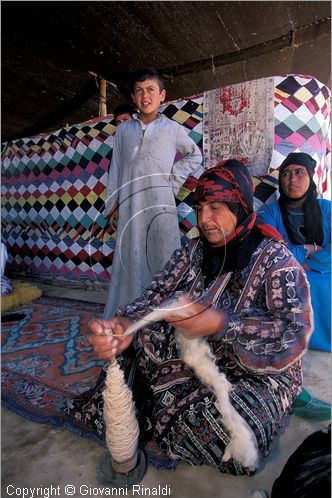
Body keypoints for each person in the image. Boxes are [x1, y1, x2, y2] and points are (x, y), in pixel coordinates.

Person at [67, 159, 313, 477]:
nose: (204, 219)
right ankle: (159, 407)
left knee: (236, 441)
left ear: (238, 205)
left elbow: (295, 332)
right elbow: (153, 298)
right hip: (194, 359)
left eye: (215, 208)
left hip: (258, 376)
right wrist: (123, 325)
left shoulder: (276, 261)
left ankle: (152, 407)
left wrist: (223, 324)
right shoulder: (191, 253)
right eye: (200, 208)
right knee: (140, 338)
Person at [103, 68, 202, 318]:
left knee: (163, 257)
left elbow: (195, 155)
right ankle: (127, 314)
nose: (144, 96)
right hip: (130, 205)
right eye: (139, 90)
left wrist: (172, 180)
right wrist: (112, 205)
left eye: (150, 90)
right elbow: (116, 169)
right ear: (134, 97)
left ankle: (163, 318)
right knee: (130, 255)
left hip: (160, 204)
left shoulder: (172, 129)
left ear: (162, 95)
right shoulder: (123, 131)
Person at [257, 152, 331, 352]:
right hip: (285, 275)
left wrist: (306, 263)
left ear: (310, 177)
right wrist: (310, 248)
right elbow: (271, 253)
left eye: (300, 172)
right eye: (286, 174)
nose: (293, 179)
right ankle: (294, 342)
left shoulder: (326, 209)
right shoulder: (270, 213)